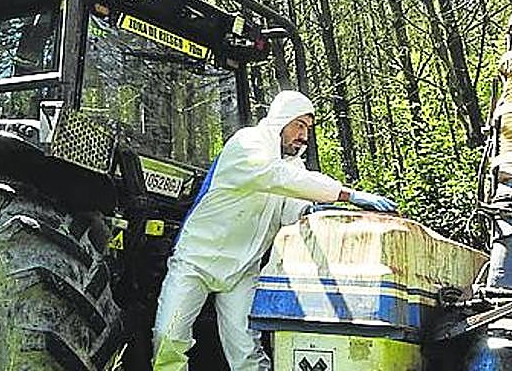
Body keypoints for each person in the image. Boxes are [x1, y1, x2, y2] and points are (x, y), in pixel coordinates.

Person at [151, 90, 398, 371]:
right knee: (169, 337)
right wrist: (346, 194)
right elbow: (275, 178)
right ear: (281, 120)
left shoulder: (292, 165)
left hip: (243, 269)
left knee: (246, 352)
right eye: (299, 125)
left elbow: (288, 208)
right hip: (196, 260)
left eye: (308, 129)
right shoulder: (247, 144)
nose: (304, 136)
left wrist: (313, 212)